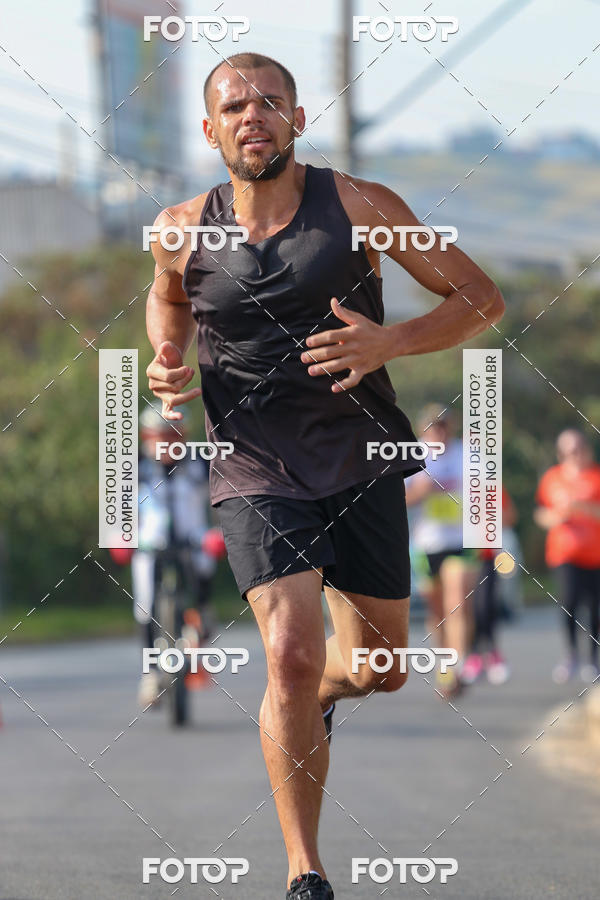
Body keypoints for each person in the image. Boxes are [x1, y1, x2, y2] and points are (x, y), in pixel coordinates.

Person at [144, 52, 504, 899]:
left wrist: (391, 342)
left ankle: (320, 698)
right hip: (252, 463)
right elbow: (166, 293)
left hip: (361, 457)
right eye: (234, 106)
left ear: (298, 120)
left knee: (380, 668)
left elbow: (479, 297)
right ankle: (305, 869)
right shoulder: (179, 226)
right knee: (292, 657)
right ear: (211, 129)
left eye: (271, 102)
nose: (252, 116)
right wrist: (168, 356)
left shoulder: (363, 206)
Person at [133, 401, 218, 707]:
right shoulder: (135, 469)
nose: (167, 443)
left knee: (201, 577)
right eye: (159, 436)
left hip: (193, 541)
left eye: (174, 436)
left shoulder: (200, 465)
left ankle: (200, 628)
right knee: (145, 604)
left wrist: (219, 533)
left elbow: (222, 501)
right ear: (146, 437)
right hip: (149, 544)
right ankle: (151, 674)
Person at [405, 405, 479, 697]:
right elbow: (398, 499)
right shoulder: (415, 456)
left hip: (462, 541)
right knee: (438, 612)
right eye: (433, 426)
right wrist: (422, 491)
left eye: (444, 426)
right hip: (426, 544)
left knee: (457, 602)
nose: (439, 431)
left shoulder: (467, 454)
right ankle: (444, 664)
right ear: (423, 430)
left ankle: (456, 668)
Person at [534, 429, 600, 684]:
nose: (575, 453)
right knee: (569, 602)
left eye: (579, 447)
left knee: (594, 608)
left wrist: (582, 507)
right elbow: (540, 513)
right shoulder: (552, 478)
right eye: (569, 450)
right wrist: (554, 518)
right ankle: (570, 655)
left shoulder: (596, 475)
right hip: (564, 553)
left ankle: (592, 659)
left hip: (595, 555)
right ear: (561, 453)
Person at [462, 487, 518, 686]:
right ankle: (473, 655)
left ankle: (492, 654)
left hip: (485, 556)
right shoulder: (448, 484)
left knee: (485, 606)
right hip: (459, 557)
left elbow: (510, 517)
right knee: (467, 609)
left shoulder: (491, 487)